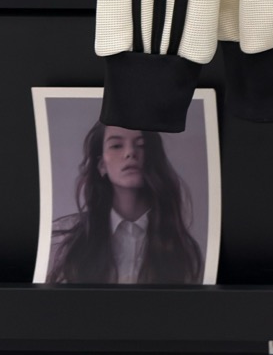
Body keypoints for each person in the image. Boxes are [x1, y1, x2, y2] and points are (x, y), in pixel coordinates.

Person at [46, 122, 203, 284]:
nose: (130, 152)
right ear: (102, 165)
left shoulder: (181, 248)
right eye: (116, 146)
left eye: (141, 145)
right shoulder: (64, 239)